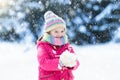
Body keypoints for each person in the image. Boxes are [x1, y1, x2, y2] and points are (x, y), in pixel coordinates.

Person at [37, 11, 80, 80]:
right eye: (56, 31)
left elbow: (76, 61)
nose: (60, 34)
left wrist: (72, 63)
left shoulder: (66, 45)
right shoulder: (43, 46)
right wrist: (60, 63)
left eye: (62, 31)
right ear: (49, 32)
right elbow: (44, 63)